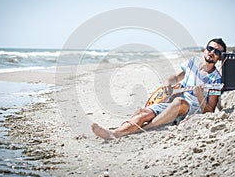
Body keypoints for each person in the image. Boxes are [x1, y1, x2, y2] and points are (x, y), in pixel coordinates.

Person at [92, 38, 227, 140]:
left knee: (179, 102)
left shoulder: (216, 79)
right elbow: (175, 78)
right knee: (143, 112)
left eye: (217, 52)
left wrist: (200, 97)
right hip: (173, 103)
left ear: (220, 57)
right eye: (210, 48)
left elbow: (210, 111)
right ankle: (114, 133)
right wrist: (168, 83)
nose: (212, 53)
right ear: (205, 49)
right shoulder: (192, 63)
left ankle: (143, 129)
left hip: (190, 109)